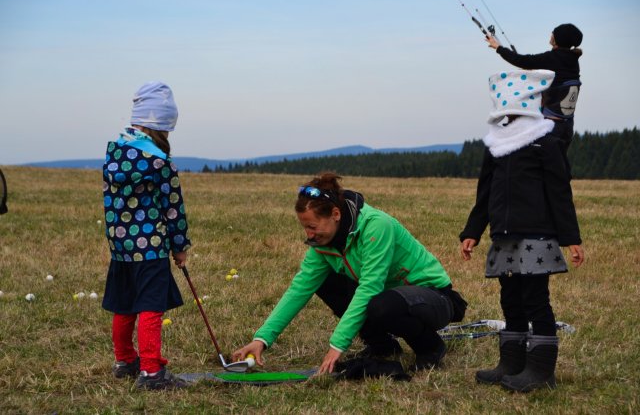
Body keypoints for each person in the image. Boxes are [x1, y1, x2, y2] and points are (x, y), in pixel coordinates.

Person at [232, 172, 467, 374]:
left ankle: (430, 347)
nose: (309, 235)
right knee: (324, 282)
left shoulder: (376, 226)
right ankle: (382, 346)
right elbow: (299, 289)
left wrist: (337, 346)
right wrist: (262, 339)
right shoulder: (323, 243)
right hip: (388, 296)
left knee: (380, 304)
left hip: (435, 297)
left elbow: (370, 287)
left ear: (335, 214)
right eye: (305, 227)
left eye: (312, 226)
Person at [459, 69, 585, 392]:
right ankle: (511, 363)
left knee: (535, 299)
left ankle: (541, 371)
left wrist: (571, 238)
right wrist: (473, 230)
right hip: (503, 236)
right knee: (510, 297)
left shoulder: (546, 141)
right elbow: (485, 192)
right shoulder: (496, 145)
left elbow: (559, 192)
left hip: (537, 235)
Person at [102, 81, 191, 390]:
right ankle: (151, 372)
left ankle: (125, 360)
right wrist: (179, 246)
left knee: (123, 303)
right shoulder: (160, 162)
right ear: (162, 125)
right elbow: (172, 207)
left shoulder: (114, 152)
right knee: (150, 306)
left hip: (121, 247)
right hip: (151, 247)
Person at [486, 23, 583, 153]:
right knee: (559, 166)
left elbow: (521, 60)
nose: (551, 34)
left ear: (557, 39)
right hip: (567, 126)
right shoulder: (573, 61)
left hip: (549, 127)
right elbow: (556, 74)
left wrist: (498, 47)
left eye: (553, 32)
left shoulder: (552, 58)